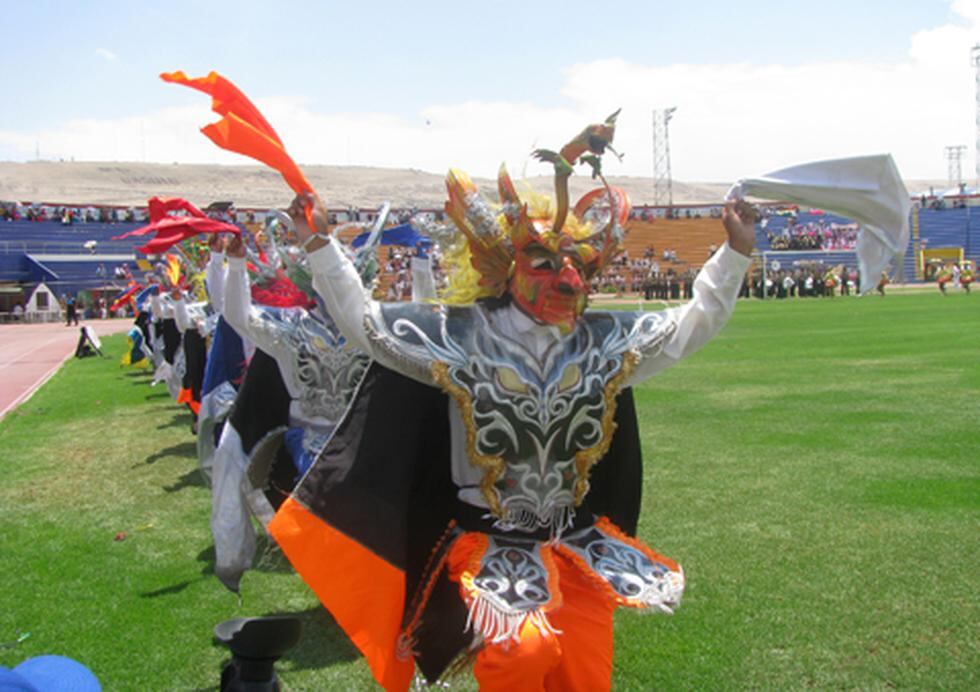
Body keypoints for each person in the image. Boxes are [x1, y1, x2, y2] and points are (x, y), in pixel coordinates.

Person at [270, 116, 756, 691]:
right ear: (505, 268)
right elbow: (367, 326)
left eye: (578, 264)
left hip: (574, 538)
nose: (567, 279)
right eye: (544, 262)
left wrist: (735, 252)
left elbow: (690, 327)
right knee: (522, 656)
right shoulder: (458, 336)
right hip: (487, 543)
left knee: (585, 674)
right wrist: (321, 245)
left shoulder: (603, 341)